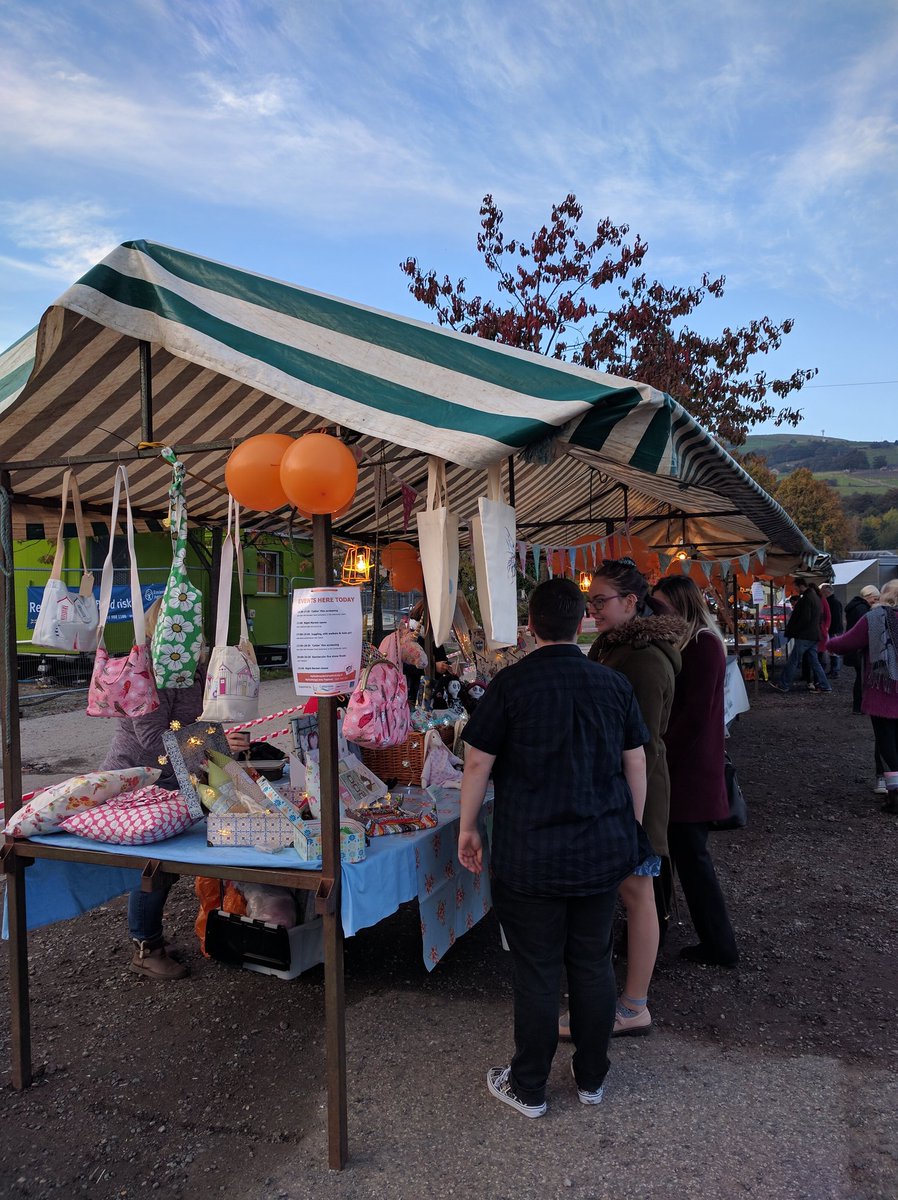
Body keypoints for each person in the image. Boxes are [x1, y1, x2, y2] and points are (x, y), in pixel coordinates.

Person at [457, 577, 650, 1118]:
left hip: (529, 853)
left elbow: (477, 761)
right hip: (600, 849)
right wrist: (629, 828)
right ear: (580, 622)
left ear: (533, 625)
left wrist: (467, 826)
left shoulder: (512, 685)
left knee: (537, 970)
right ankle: (592, 1079)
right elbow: (637, 762)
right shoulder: (612, 685)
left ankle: (530, 1088)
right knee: (591, 961)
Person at [101, 604, 249, 979]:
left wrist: (221, 741)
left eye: (198, 627)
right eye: (190, 628)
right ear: (161, 629)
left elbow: (200, 720)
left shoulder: (193, 669)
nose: (197, 635)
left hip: (178, 778)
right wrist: (212, 739)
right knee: (152, 868)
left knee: (168, 866)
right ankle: (145, 947)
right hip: (139, 780)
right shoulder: (145, 671)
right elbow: (152, 739)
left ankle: (153, 938)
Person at [570, 558, 684, 1037]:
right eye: (590, 601)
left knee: (637, 894)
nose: (593, 609)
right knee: (631, 893)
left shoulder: (643, 658)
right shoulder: (618, 647)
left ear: (631, 603)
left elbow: (637, 741)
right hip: (619, 788)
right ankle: (624, 998)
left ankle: (634, 1004)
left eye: (600, 600)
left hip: (633, 792)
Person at [652, 576, 739, 967]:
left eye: (660, 607)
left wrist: (659, 757)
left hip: (689, 773)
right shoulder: (698, 641)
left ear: (680, 604)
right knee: (683, 858)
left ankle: (719, 944)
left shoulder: (703, 645)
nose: (655, 614)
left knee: (690, 859)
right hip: (687, 769)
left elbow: (693, 717)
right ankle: (707, 939)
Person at [827, 580, 898, 814]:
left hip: (883, 693)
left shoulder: (874, 619)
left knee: (887, 746)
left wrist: (826, 643)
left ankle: (895, 796)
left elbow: (846, 643)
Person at [771, 578, 831, 694]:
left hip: (805, 635)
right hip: (814, 634)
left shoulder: (807, 599)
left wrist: (795, 630)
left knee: (794, 660)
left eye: (795, 587)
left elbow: (805, 619)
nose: (795, 590)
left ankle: (784, 684)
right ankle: (825, 685)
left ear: (801, 586)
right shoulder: (815, 597)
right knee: (814, 662)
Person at [845, 586, 880, 715]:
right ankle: (859, 706)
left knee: (861, 677)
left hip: (855, 649)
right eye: (875, 598)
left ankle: (859, 705)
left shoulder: (856, 607)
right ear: (868, 597)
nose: (876, 601)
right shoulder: (862, 610)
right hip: (859, 650)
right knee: (861, 678)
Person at [821, 585, 844, 678]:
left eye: (822, 592)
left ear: (827, 592)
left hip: (833, 630)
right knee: (833, 652)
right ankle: (834, 670)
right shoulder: (834, 602)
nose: (821, 594)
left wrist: (832, 630)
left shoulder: (832, 602)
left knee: (834, 652)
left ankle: (835, 671)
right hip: (835, 630)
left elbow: (835, 618)